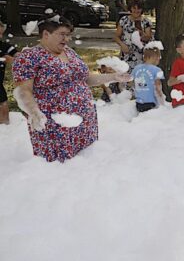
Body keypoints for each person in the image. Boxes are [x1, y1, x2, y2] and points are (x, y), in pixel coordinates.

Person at [12, 14, 131, 162]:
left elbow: (85, 78)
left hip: (84, 121)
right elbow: (23, 90)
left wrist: (113, 77)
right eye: (62, 34)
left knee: (84, 165)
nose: (66, 39)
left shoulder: (69, 52)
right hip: (55, 125)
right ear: (46, 34)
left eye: (68, 35)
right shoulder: (29, 57)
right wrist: (34, 112)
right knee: (61, 169)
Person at [113, 0, 154, 72]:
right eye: (134, 8)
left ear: (142, 10)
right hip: (126, 55)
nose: (136, 10)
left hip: (141, 56)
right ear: (130, 9)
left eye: (139, 8)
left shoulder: (146, 21)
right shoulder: (124, 20)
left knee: (139, 79)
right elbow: (116, 37)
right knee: (126, 78)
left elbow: (148, 37)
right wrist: (122, 45)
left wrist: (142, 34)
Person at [131, 46, 166, 112]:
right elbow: (158, 85)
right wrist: (161, 97)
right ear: (155, 57)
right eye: (159, 58)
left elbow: (130, 82)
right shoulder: (157, 70)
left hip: (139, 102)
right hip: (151, 101)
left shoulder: (136, 68)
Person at [0, 20, 18, 124]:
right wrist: (3, 59)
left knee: (3, 102)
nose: (0, 36)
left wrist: (17, 57)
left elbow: (16, 54)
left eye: (1, 33)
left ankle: (5, 125)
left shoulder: (4, 46)